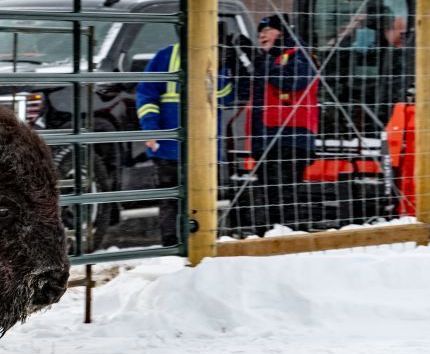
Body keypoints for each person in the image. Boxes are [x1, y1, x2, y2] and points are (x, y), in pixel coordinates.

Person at [135, 41, 235, 247]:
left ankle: (198, 245)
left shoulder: (216, 57)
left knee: (198, 201)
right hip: (171, 146)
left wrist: (225, 70)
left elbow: (226, 98)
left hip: (200, 146)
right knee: (173, 198)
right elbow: (147, 95)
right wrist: (151, 130)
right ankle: (173, 246)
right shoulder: (165, 56)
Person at [242, 15, 320, 234]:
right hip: (264, 136)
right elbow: (247, 93)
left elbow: (292, 81)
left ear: (283, 32)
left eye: (268, 30)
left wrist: (262, 62)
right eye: (260, 32)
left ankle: (290, 235)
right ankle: (271, 235)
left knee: (286, 192)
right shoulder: (269, 59)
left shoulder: (300, 54)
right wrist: (238, 60)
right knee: (268, 193)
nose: (262, 35)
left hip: (291, 136)